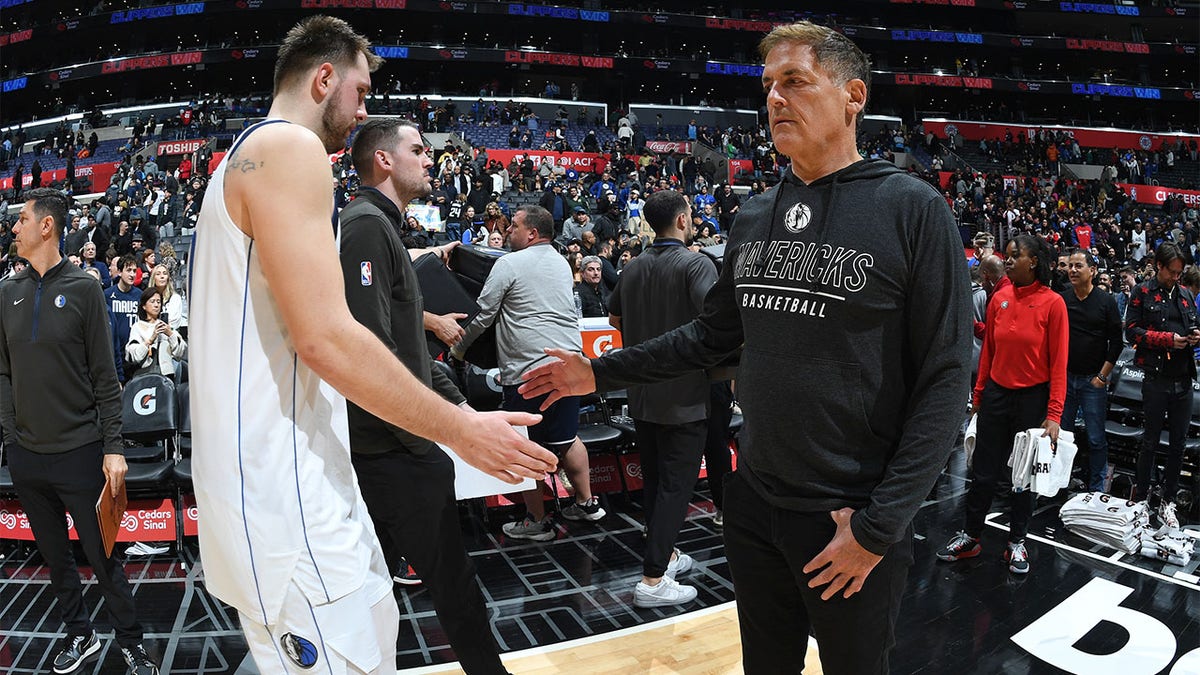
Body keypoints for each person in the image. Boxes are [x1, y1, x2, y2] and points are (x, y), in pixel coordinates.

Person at [520, 22, 971, 674]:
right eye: (768, 86)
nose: (775, 100)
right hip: (755, 501)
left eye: (794, 82)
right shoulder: (756, 213)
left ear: (853, 96)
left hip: (847, 515)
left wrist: (878, 528)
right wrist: (598, 372)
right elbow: (712, 337)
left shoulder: (914, 209)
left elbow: (948, 373)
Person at [188, 17, 555, 672]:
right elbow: (329, 337)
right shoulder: (288, 150)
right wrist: (463, 429)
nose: (362, 111)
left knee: (375, 630)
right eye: (358, 91)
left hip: (289, 479)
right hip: (283, 487)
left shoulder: (241, 160)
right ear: (323, 77)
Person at [339, 118, 510, 674]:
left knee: (435, 587)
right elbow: (372, 353)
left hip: (403, 442)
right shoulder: (365, 226)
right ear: (384, 162)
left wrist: (464, 413)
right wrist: (438, 430)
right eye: (418, 150)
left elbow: (409, 350)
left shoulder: (384, 228)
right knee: (452, 590)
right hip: (393, 449)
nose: (430, 158)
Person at [0, 188, 160, 674]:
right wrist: (10, 435)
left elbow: (106, 377)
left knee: (104, 555)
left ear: (46, 226)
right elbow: (3, 372)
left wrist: (113, 447)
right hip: (27, 454)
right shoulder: (7, 292)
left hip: (82, 451)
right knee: (55, 557)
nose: (14, 228)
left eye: (21, 219)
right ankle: (79, 635)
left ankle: (129, 641)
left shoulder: (87, 288)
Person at [451, 205, 605, 542]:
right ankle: (585, 503)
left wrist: (457, 349)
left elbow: (483, 314)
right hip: (568, 366)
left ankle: (537, 520)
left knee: (524, 446)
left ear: (532, 233)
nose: (508, 231)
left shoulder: (509, 263)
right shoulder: (562, 263)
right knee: (566, 438)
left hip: (527, 371)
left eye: (515, 226)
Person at [608, 190, 718, 607]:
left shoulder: (632, 267)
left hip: (642, 392)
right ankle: (653, 580)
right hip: (685, 392)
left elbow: (615, 318)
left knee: (655, 481)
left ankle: (665, 554)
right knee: (676, 487)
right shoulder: (695, 263)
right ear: (683, 221)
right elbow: (717, 322)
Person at [939, 234, 1067, 575]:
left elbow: (1059, 365)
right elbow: (990, 353)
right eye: (1006, 256)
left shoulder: (1054, 303)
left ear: (1034, 261)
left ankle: (1017, 542)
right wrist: (979, 396)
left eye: (1014, 256)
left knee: (1022, 476)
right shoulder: (1000, 298)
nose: (1007, 260)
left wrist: (1053, 414)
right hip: (996, 393)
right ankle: (971, 535)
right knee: (982, 472)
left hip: (1032, 400)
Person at [1126, 242, 1199, 528]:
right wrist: (1166, 340)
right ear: (1159, 266)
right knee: (1150, 442)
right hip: (1156, 379)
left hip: (1183, 380)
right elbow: (1132, 330)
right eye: (1172, 271)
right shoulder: (1142, 292)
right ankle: (1143, 498)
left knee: (1178, 445)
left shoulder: (1184, 294)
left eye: (1180, 273)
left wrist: (1194, 336)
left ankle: (1168, 501)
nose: (1176, 277)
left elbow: (1193, 323)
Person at [1060, 249, 1123, 492]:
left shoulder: (1106, 302)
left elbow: (1116, 343)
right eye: (1070, 266)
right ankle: (1059, 482)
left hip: (1092, 382)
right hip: (1065, 379)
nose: (1072, 270)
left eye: (1078, 266)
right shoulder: (1062, 299)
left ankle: (1097, 488)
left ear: (1092, 271)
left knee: (1096, 438)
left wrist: (1102, 376)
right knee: (1062, 438)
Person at [124, 288, 186, 379]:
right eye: (152, 301)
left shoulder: (166, 326)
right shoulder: (137, 327)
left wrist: (170, 334)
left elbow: (180, 353)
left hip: (167, 376)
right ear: (144, 306)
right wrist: (151, 339)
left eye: (158, 302)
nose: (156, 305)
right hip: (145, 375)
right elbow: (134, 356)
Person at [104, 254, 142, 384]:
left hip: (135, 355)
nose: (132, 274)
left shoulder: (140, 295)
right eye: (128, 270)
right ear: (119, 272)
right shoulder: (108, 295)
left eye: (134, 271)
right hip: (115, 354)